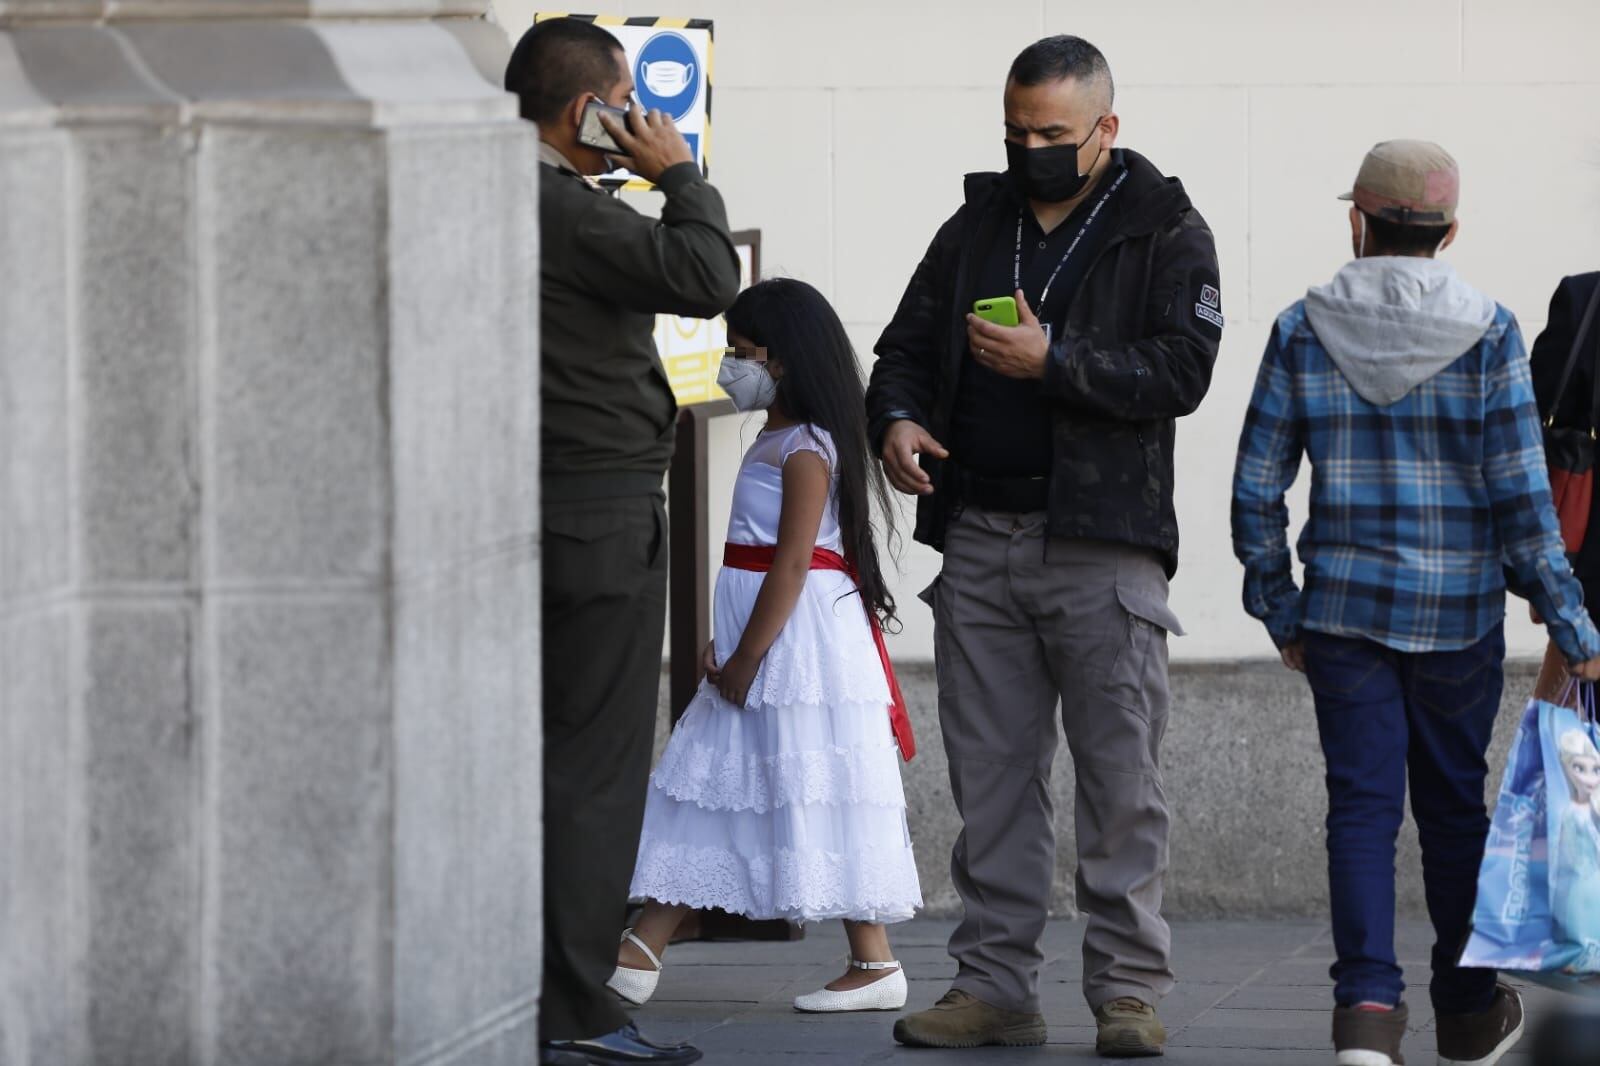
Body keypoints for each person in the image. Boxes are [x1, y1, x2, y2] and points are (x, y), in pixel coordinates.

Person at [866, 35, 1221, 1057]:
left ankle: (1126, 991)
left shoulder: (1163, 229)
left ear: (1107, 128)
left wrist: (1053, 359)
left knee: (1120, 781)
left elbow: (1181, 370)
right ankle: (993, 986)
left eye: (1055, 135)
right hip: (978, 534)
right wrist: (894, 419)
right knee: (991, 779)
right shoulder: (976, 225)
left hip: (1102, 541)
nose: (1032, 149)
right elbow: (902, 345)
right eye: (1016, 131)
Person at [1231, 139, 1600, 1066]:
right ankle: (1469, 1015)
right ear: (1450, 231)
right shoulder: (1491, 329)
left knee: (1358, 808)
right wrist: (1574, 623)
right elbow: (1523, 501)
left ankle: (1365, 1015)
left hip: (1344, 614)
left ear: (1357, 218)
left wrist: (1283, 609)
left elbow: (1255, 490)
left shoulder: (1300, 328)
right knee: (1453, 811)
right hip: (1459, 618)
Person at [503, 18, 740, 1066]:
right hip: (595, 513)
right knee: (593, 770)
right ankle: (575, 1011)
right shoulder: (560, 207)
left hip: (529, 508)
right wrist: (678, 171)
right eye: (623, 100)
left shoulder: (496, 195)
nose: (640, 118)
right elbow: (704, 276)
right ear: (579, 111)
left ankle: (530, 992)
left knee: (539, 764)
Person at [607, 278, 923, 1013]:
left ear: (780, 360)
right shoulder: (778, 438)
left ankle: (873, 964)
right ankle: (644, 945)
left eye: (741, 351)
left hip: (798, 648)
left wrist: (748, 655)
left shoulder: (808, 447)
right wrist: (735, 642)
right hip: (771, 637)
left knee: (800, 781)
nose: (728, 363)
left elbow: (792, 560)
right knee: (719, 775)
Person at [1530, 271, 1600, 699]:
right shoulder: (1584, 300)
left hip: (1588, 583)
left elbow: (1527, 444)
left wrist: (1544, 575)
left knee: (1568, 745)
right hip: (1587, 585)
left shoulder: (1586, 299)